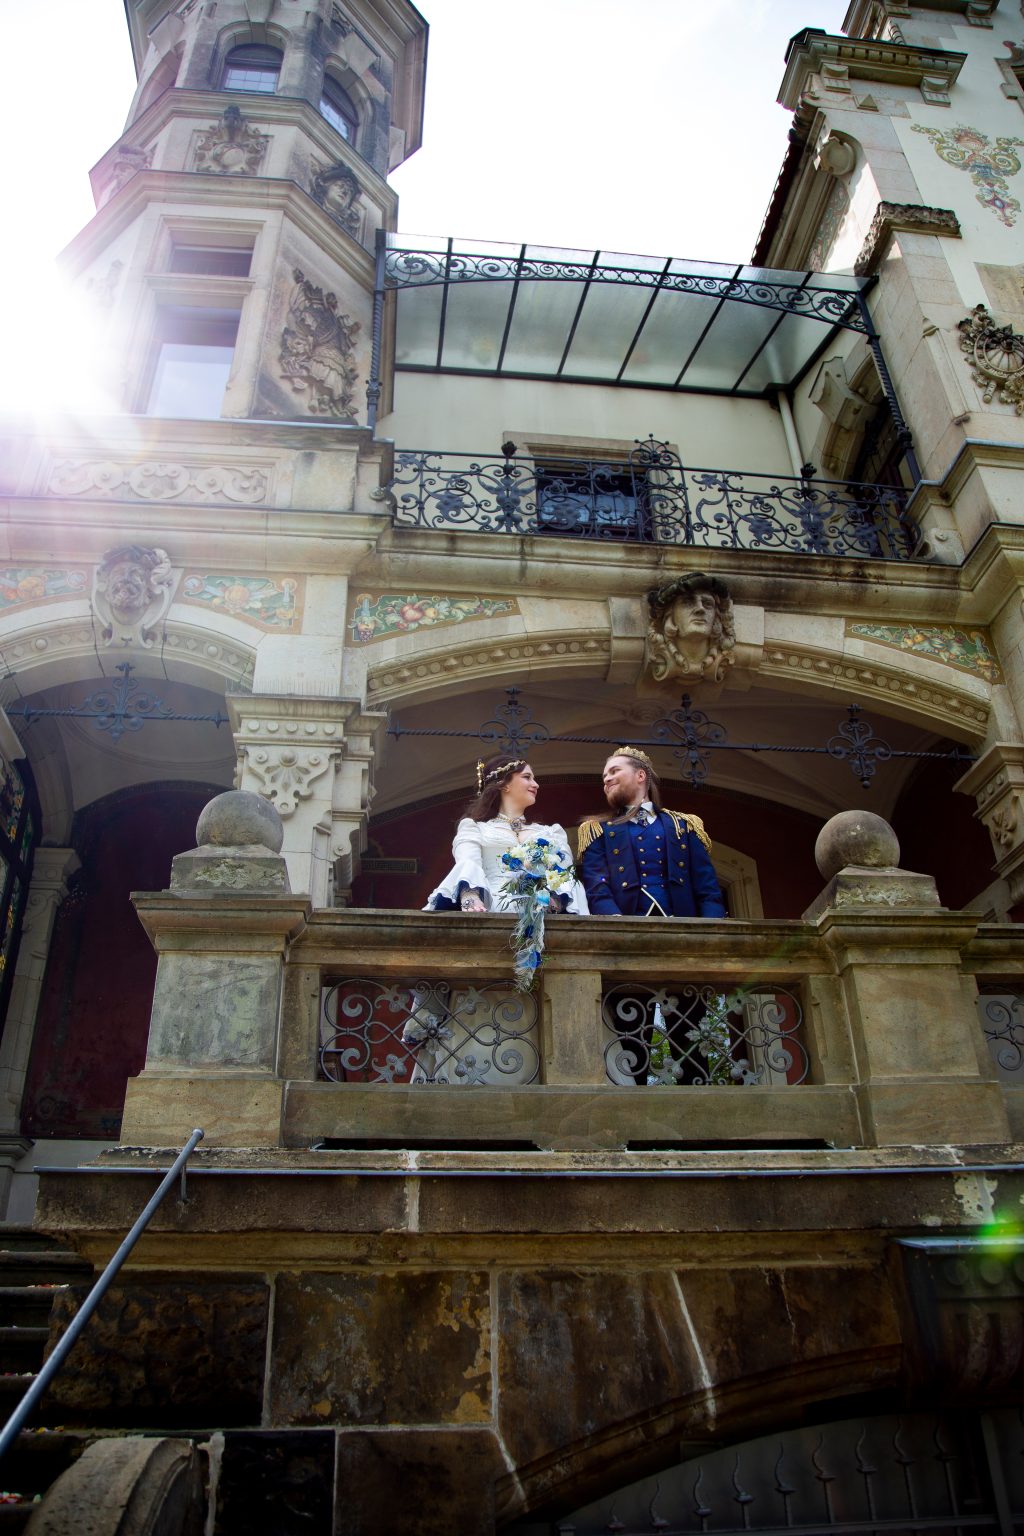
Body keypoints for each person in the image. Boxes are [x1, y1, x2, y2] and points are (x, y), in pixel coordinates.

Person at [424, 754, 589, 914]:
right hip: (492, 907)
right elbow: (468, 864)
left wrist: (550, 903)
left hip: (540, 911)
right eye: (527, 777)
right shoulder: (474, 829)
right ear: (504, 785)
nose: (536, 784)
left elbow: (564, 875)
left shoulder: (552, 833)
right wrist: (471, 897)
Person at [578, 747, 726, 918]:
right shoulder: (597, 830)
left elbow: (707, 887)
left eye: (614, 771)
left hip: (683, 930)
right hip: (625, 931)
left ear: (640, 776)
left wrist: (712, 930)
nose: (607, 780)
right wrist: (616, 925)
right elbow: (597, 887)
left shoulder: (684, 825)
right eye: (604, 777)